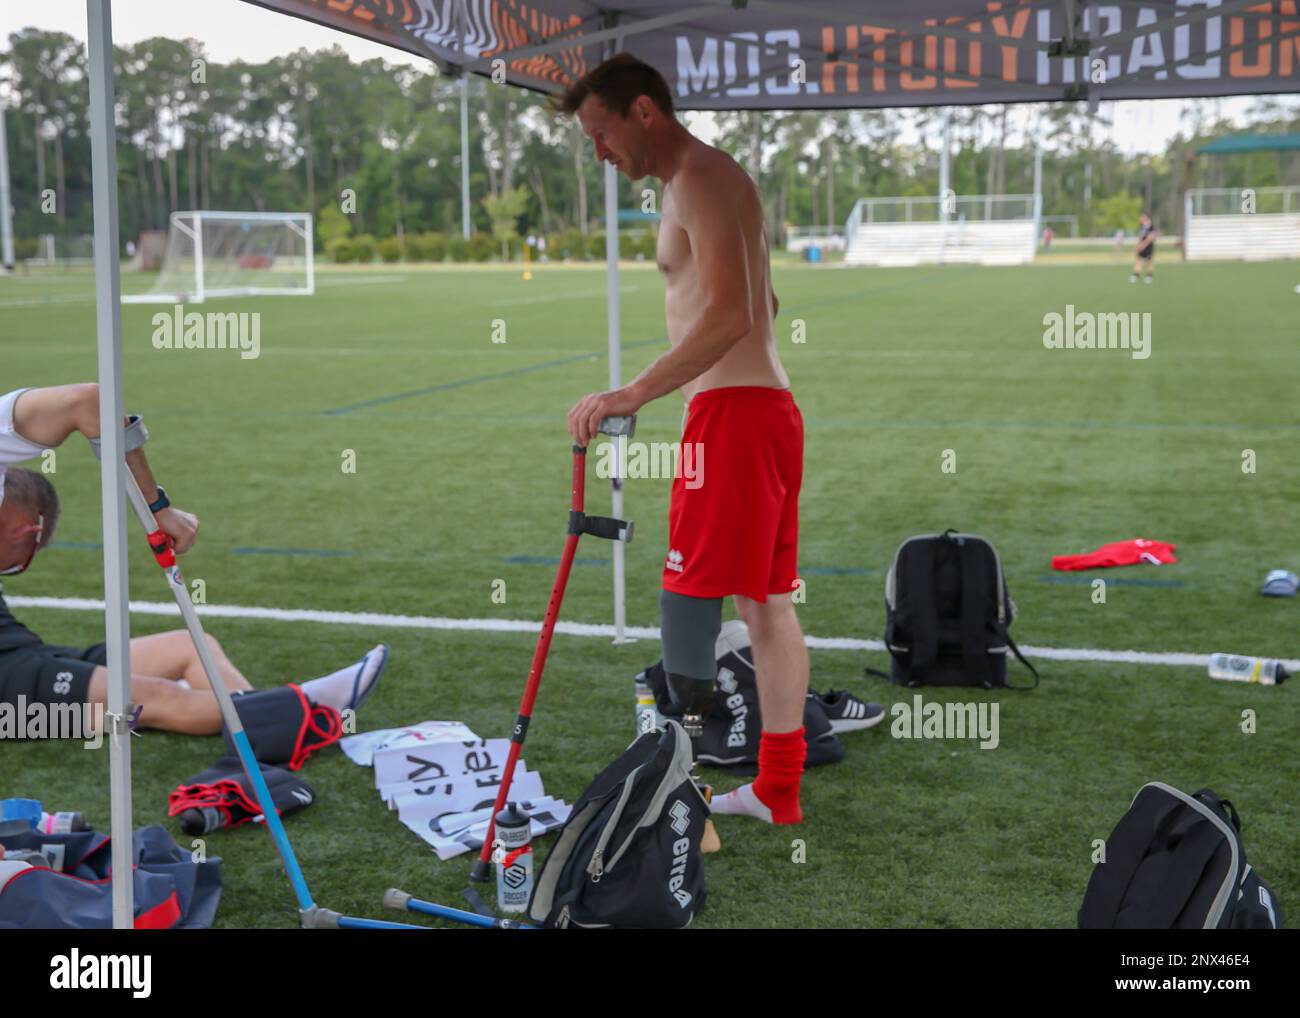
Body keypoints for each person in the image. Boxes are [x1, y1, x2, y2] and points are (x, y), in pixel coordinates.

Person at [557, 54, 808, 825]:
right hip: (761, 410)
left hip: (735, 416)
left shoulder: (699, 176)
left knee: (687, 604)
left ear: (643, 112)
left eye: (602, 134)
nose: (600, 153)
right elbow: (762, 297)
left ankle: (679, 781)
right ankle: (777, 789)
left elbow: (733, 313)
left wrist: (633, 391)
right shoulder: (708, 178)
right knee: (764, 605)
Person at [0, 384, 387, 736]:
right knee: (151, 698)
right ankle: (300, 709)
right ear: (29, 533)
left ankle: (267, 727)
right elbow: (86, 402)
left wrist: (156, 508)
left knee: (190, 646)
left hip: (18, 651)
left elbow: (89, 401)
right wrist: (158, 510)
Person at [1130, 212, 1156, 283]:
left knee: (1149, 261)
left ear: (1146, 218)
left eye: (1142, 217)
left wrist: (1144, 244)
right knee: (1139, 260)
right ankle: (1136, 275)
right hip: (1142, 247)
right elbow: (1140, 237)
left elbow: (1151, 237)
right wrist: (1137, 246)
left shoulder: (1151, 227)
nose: (1140, 218)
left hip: (1148, 247)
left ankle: (1149, 276)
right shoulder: (1142, 227)